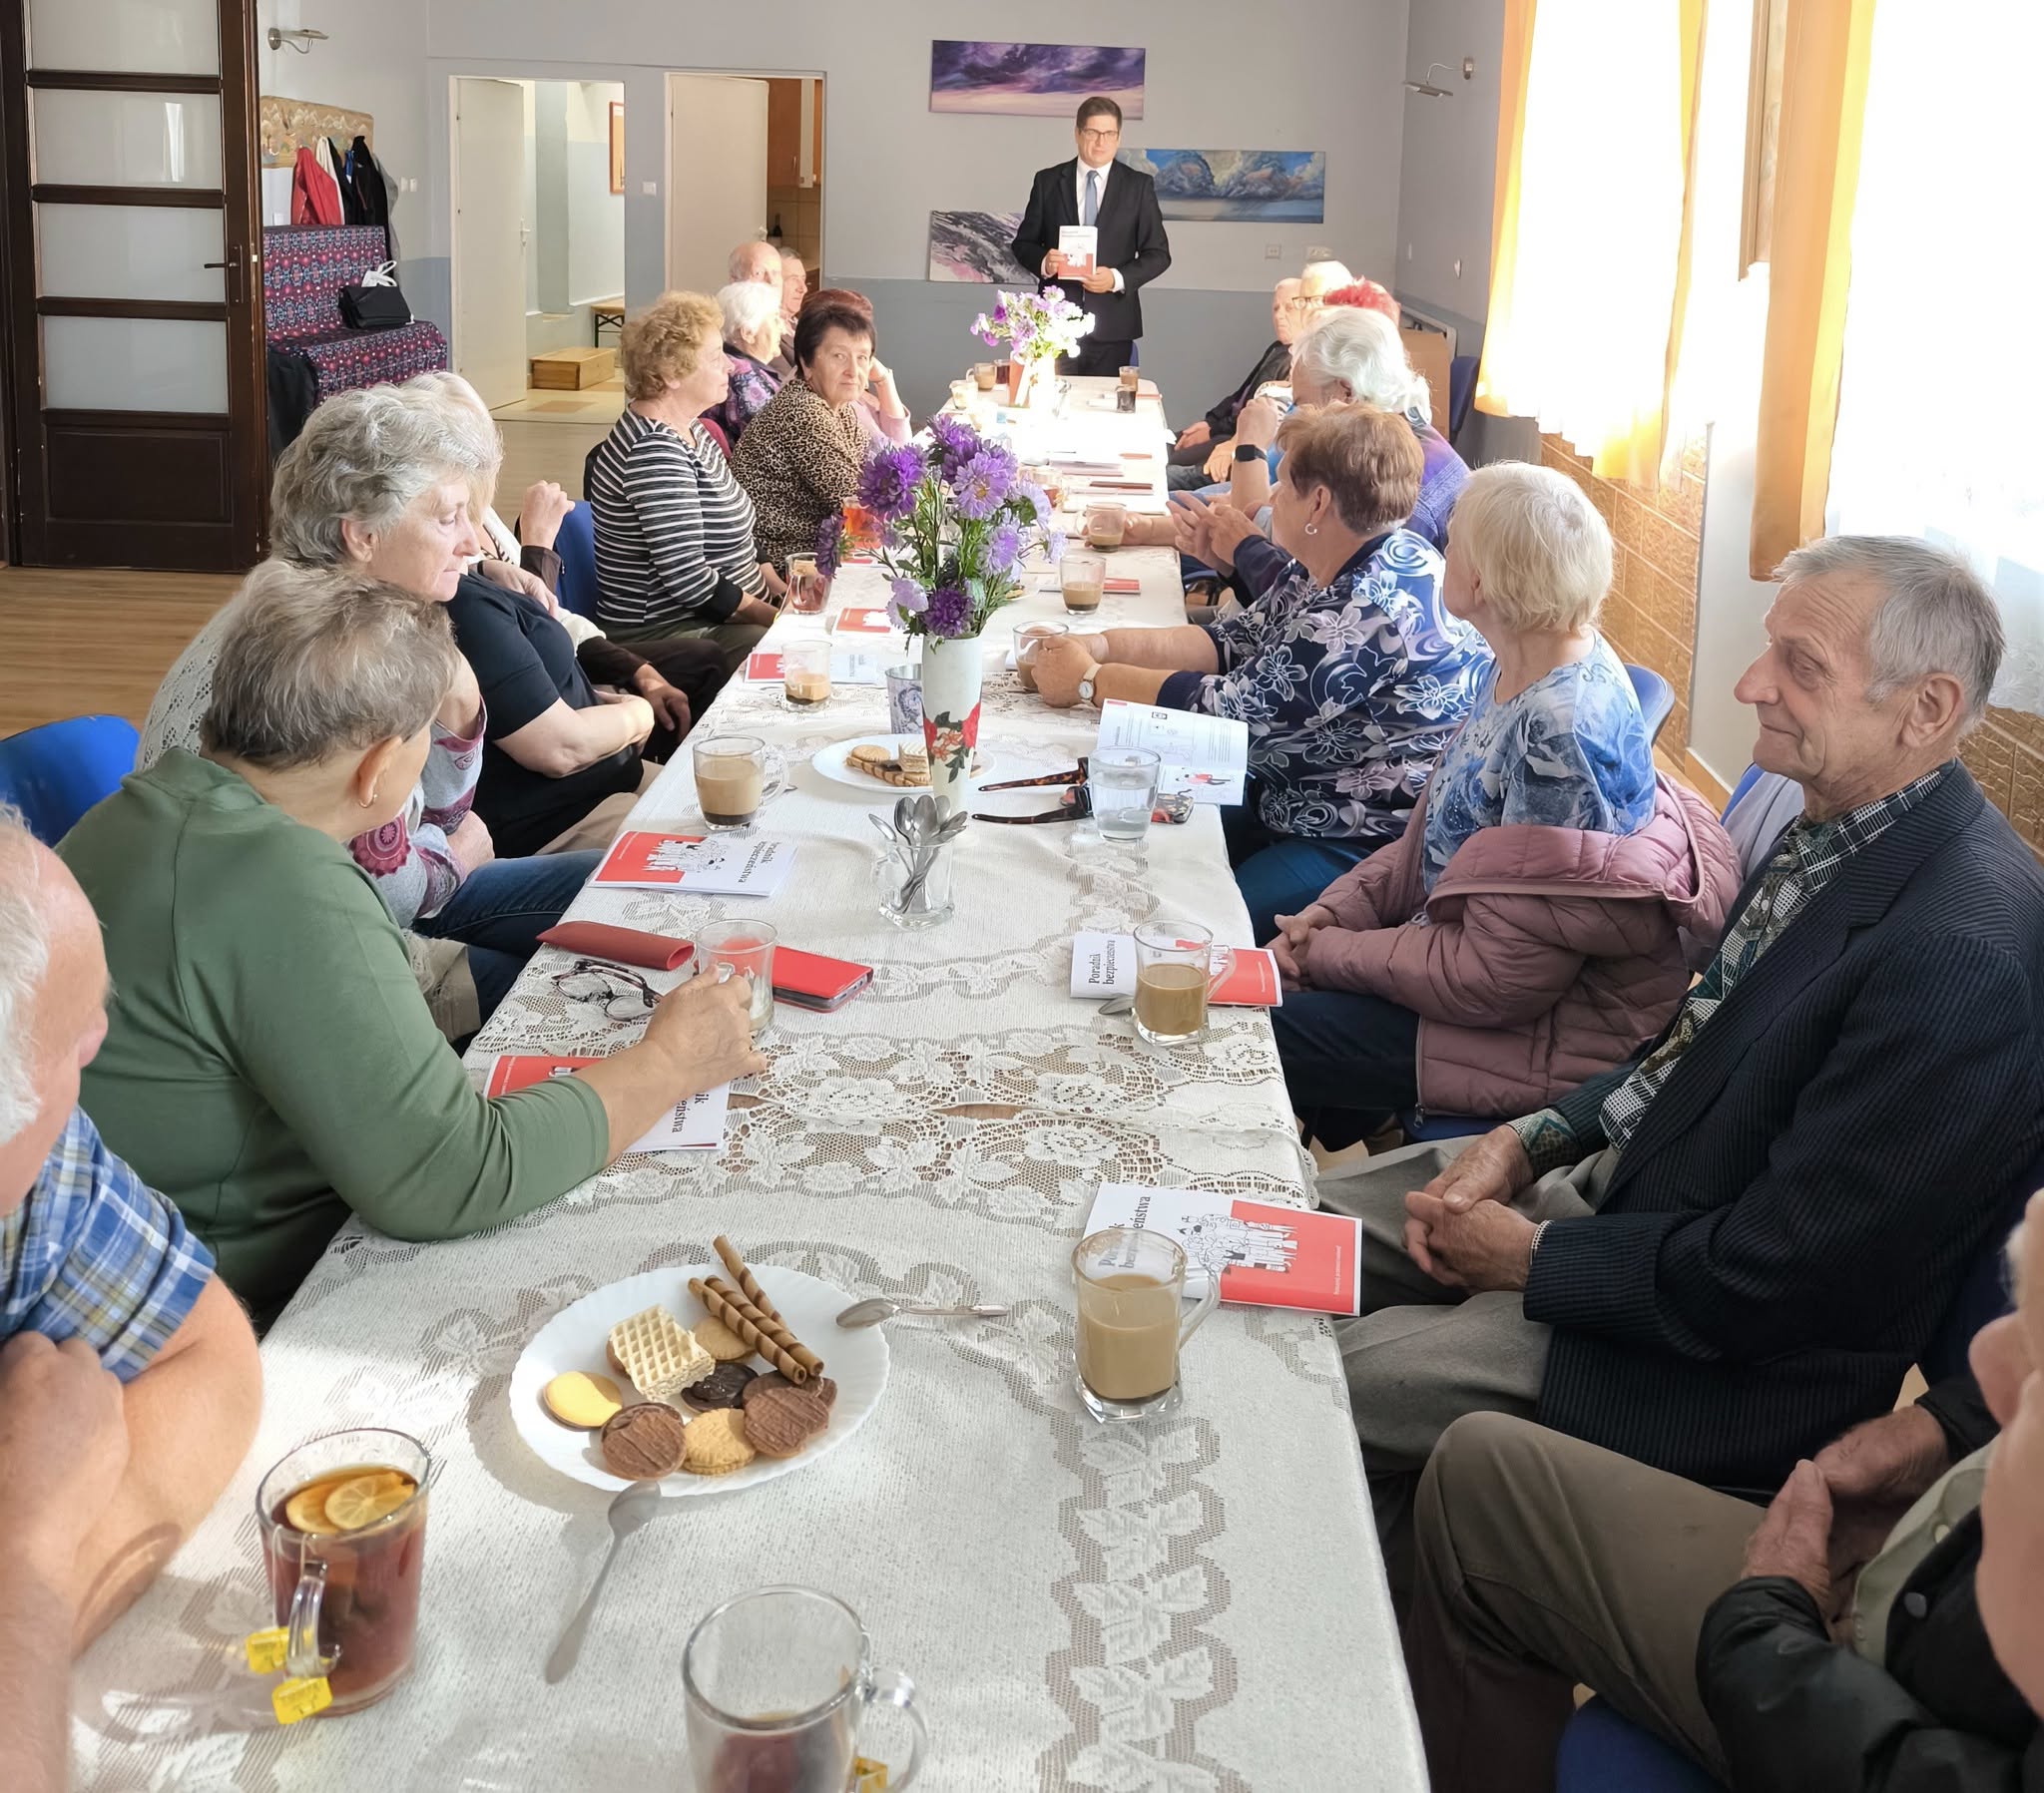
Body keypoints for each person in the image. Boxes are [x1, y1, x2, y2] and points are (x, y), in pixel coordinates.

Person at [1311, 535, 2044, 1594]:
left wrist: (1531, 1262)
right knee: (1285, 1229)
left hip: (1701, 1361)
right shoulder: (1839, 827)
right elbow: (1687, 1052)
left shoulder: (1956, 955)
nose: (1750, 685)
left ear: (1924, 710)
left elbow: (1774, 1276)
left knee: (1321, 1385)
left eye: (1799, 666)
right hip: (1626, 1200)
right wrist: (1532, 1138)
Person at [64, 568, 765, 1324]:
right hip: (238, 1308)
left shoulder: (135, 815)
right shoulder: (285, 881)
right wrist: (669, 1063)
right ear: (376, 767)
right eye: (426, 736)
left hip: (124, 1268)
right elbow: (450, 1177)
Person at [1404, 1189, 2044, 1791]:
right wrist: (1951, 1424)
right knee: (1466, 1458)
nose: (1984, 1354)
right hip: (1926, 1572)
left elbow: (1775, 1263)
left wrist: (1763, 1645)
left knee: (1412, 1424)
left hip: (1858, 1694)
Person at [1268, 464, 1736, 1149]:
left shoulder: (1561, 733)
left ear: (1484, 582)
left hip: (1536, 1031)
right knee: (1265, 980)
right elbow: (1437, 842)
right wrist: (1332, 915)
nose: (1441, 550)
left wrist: (1329, 954)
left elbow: (1497, 980)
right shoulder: (1521, 658)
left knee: (1254, 1029)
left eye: (1453, 541)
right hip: (1461, 958)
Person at [140, 384, 595, 1024]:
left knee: (616, 887)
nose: (473, 543)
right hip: (289, 968)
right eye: (448, 517)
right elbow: (392, 888)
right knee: (578, 988)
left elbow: (426, 823)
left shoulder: (348, 615)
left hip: (379, 902)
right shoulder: (325, 657)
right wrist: (460, 854)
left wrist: (460, 711)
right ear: (361, 536)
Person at [0, 812, 261, 1792]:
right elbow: (445, 1171)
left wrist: (26, 1624)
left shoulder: (31, 1163)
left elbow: (207, 1357)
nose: (101, 1042)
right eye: (72, 1050)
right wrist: (27, 1536)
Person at [1032, 406, 1490, 943]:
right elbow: (1226, 643)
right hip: (1292, 793)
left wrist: (1090, 679)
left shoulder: (1366, 609)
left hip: (1362, 836)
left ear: (1318, 502)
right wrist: (1099, 643)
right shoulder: (1349, 558)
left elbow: (1225, 715)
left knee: (1178, 926)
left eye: (1283, 484)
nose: (1270, 498)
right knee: (1111, 825)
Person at [585, 290, 779, 669]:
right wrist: (774, 617)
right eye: (715, 357)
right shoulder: (654, 450)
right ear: (672, 374)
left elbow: (737, 528)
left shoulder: (691, 428)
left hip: (721, 614)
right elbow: (689, 579)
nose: (731, 366)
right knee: (793, 656)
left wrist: (779, 590)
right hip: (670, 630)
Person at [1218, 305, 1469, 556]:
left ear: (1346, 392)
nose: (1297, 415)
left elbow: (1275, 561)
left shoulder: (1383, 485)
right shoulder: (1402, 439)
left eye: (1303, 404)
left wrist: (1250, 446)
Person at [731, 294, 910, 571]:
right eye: (839, 356)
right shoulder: (803, 411)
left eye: (862, 358)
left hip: (825, 550)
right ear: (807, 363)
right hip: (789, 563)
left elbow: (874, 474)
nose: (853, 371)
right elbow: (859, 502)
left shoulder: (839, 407)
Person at [1010, 96, 1172, 377]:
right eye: (1093, 132)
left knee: (1105, 404)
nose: (1100, 142)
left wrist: (1116, 278)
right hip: (1054, 326)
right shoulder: (1047, 181)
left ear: (1118, 137)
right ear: (1077, 133)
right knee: (1051, 402)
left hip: (1113, 326)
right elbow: (1023, 244)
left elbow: (1158, 254)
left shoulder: (1138, 186)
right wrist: (1045, 261)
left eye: (1109, 134)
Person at [1168, 277, 1304, 491]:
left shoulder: (1298, 363)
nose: (1279, 316)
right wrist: (1209, 422)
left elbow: (1258, 419)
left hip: (1236, 442)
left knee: (1165, 471)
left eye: (1289, 308)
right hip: (1225, 430)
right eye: (1275, 308)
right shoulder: (1277, 348)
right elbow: (1241, 395)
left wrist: (1213, 433)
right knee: (1162, 445)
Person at [709, 278, 785, 446]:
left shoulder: (732, 364)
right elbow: (782, 440)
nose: (782, 327)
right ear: (748, 333)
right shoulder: (743, 376)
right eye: (775, 319)